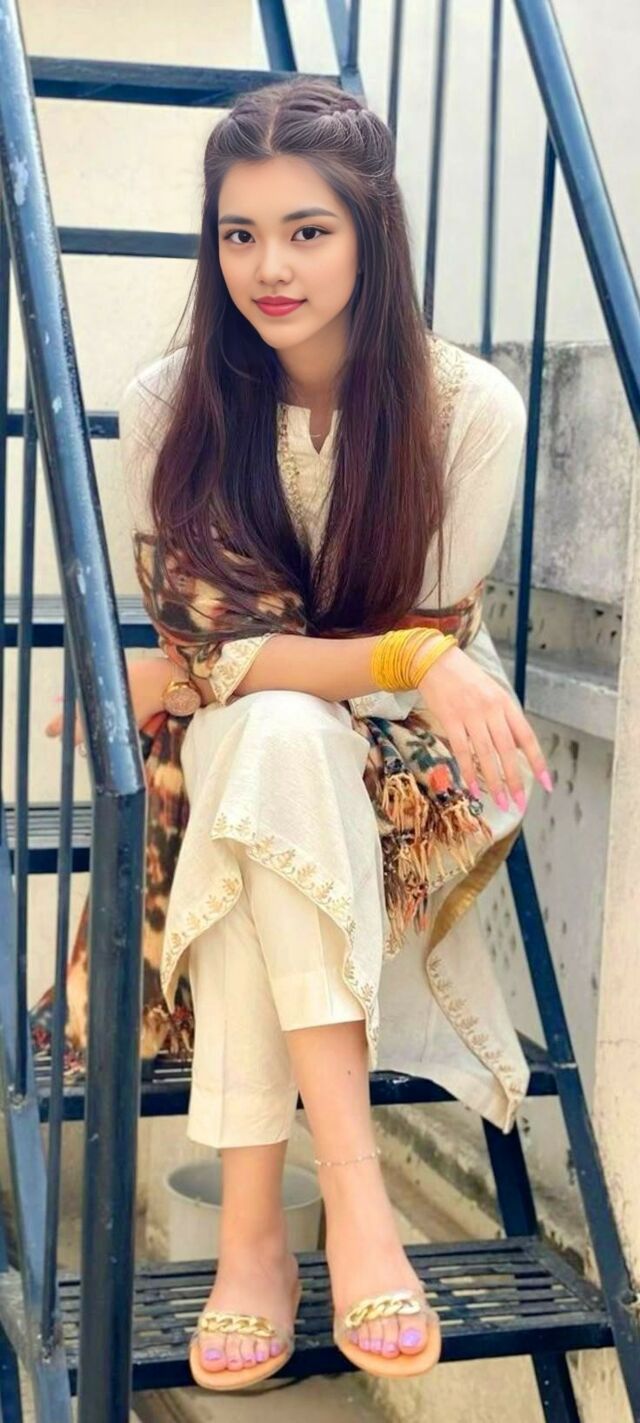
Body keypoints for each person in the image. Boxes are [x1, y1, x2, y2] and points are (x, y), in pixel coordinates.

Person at [47, 76, 551, 1388]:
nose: (269, 267)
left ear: (373, 235)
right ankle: (359, 1209)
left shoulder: (468, 409)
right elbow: (259, 654)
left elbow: (242, 665)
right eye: (240, 233)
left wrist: (216, 668)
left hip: (420, 760)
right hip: (301, 730)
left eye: (308, 231)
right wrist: (379, 655)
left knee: (262, 738)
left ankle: (257, 1237)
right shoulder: (171, 405)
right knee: (267, 739)